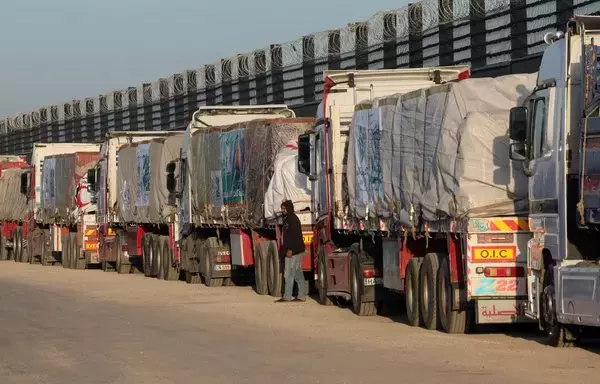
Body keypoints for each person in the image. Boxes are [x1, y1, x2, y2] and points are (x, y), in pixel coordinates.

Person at [275, 200, 307, 303]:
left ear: (289, 208)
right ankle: (302, 295)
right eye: (282, 209)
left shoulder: (292, 219)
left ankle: (287, 296)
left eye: (284, 209)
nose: (283, 210)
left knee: (288, 273)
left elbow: (295, 237)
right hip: (294, 250)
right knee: (297, 273)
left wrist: (290, 250)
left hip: (293, 251)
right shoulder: (288, 219)